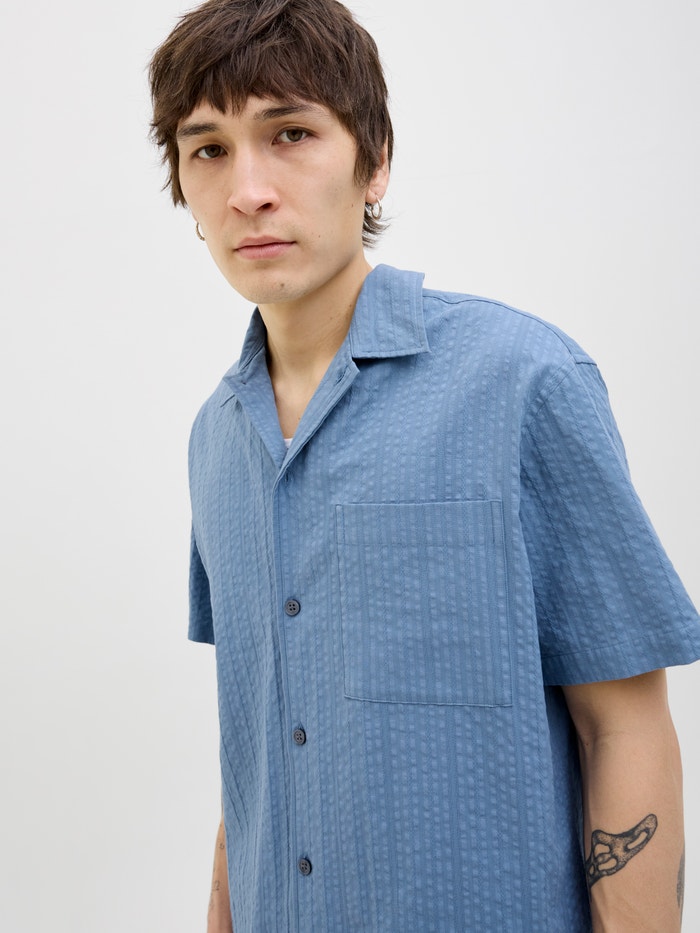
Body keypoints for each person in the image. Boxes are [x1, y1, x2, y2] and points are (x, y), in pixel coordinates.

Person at [149, 1, 700, 929]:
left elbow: (624, 723)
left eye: (291, 134)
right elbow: (262, 747)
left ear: (374, 160)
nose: (248, 190)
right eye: (208, 149)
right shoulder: (217, 437)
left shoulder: (523, 379)